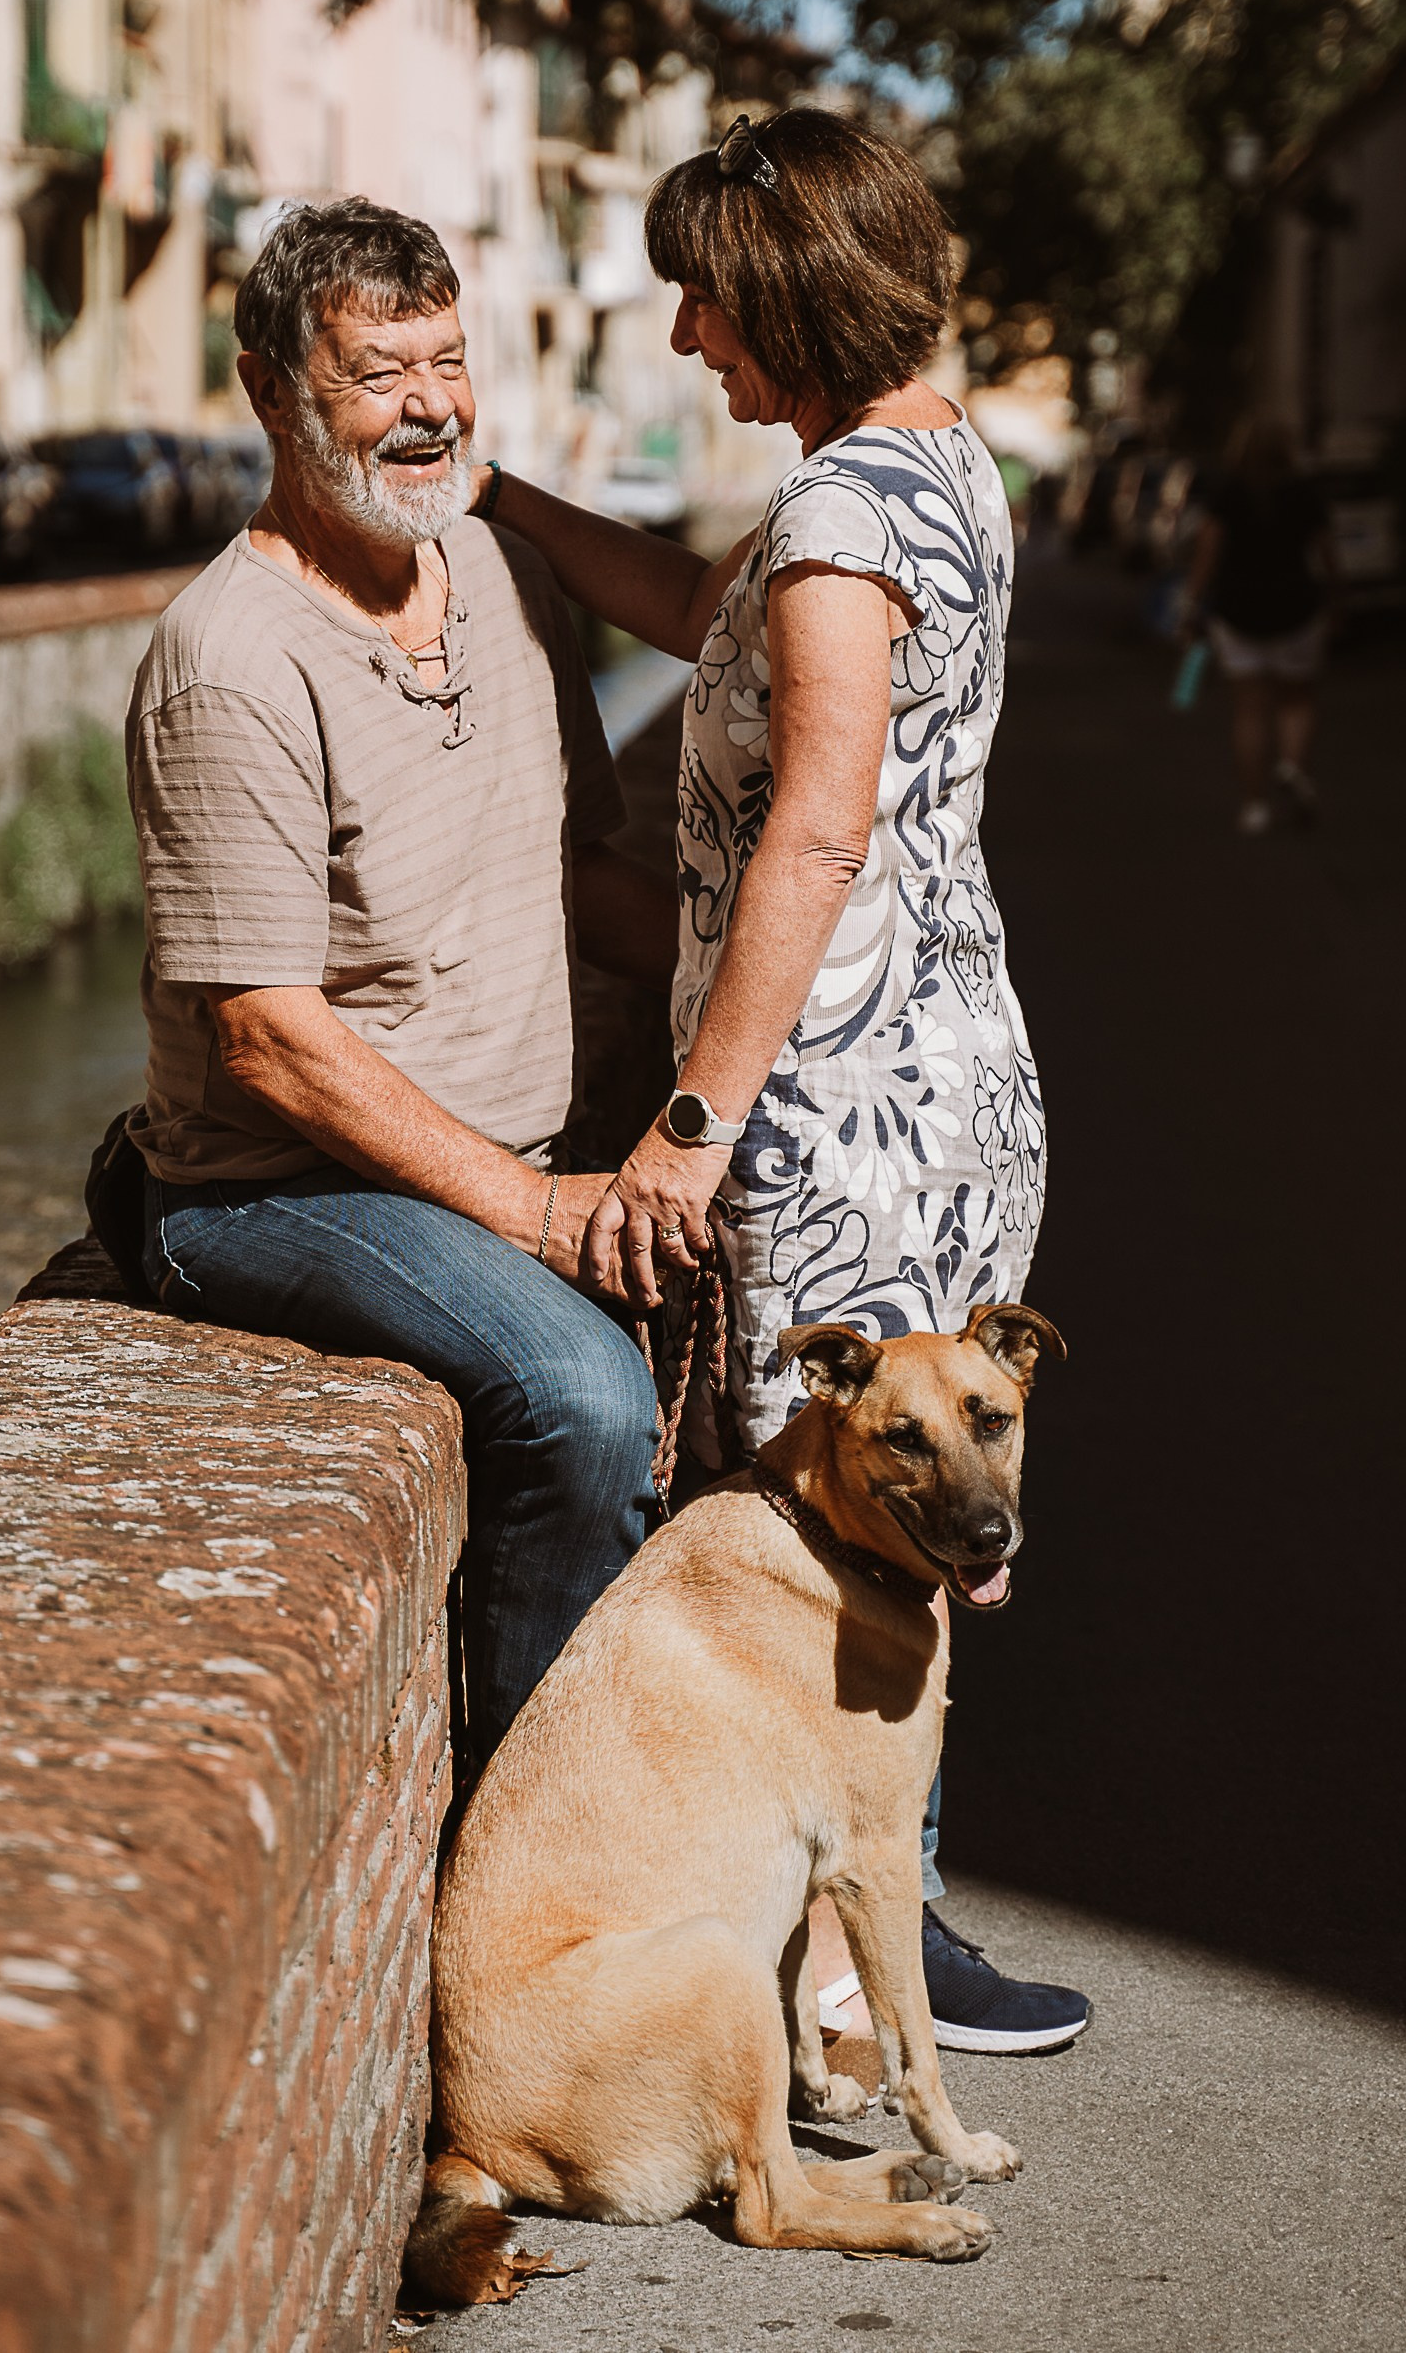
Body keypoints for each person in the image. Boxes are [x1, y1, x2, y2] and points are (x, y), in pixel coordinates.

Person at [476, 103, 1089, 2057]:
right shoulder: (929, 470)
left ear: (782, 299)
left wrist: (688, 1122)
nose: (684, 347)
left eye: (703, 308)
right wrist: (507, 505)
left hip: (837, 1112)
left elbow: (812, 838)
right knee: (893, 1521)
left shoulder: (837, 518)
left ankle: (838, 1986)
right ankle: (889, 1928)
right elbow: (700, 618)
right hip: (947, 1080)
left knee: (820, 1542)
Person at [111, 198, 671, 1775]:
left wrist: (769, 988)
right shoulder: (233, 658)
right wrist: (541, 1212)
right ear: (273, 393)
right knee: (584, 1398)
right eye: (378, 374)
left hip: (463, 1163)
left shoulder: (502, 578)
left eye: (448, 361)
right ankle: (533, 1833)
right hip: (270, 1186)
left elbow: (574, 884)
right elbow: (269, 1041)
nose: (430, 406)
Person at [1177, 417, 1334, 836]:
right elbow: (1327, 551)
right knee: (1296, 699)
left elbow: (1208, 553)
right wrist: (1337, 595)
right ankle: (1291, 764)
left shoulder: (1226, 493)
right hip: (1297, 607)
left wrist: (1191, 603)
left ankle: (1254, 807)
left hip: (1238, 611)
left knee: (1249, 709)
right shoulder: (1304, 492)